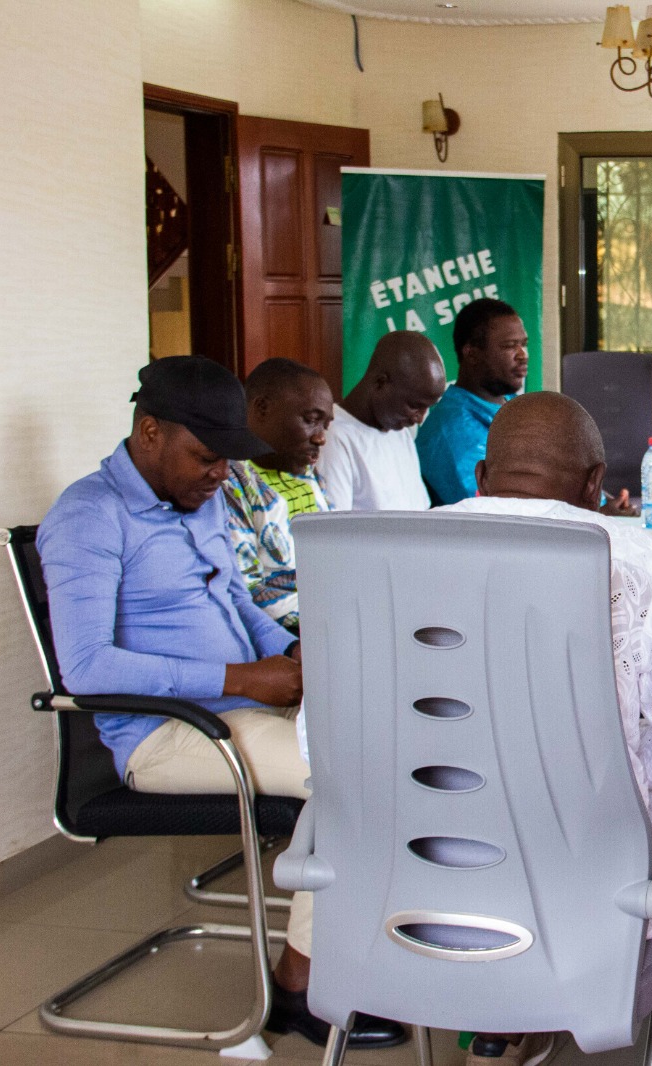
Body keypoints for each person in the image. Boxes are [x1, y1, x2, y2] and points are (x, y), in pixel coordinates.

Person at [37, 356, 404, 1049]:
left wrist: (292, 656)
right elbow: (84, 669)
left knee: (389, 741)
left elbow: (235, 600)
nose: (220, 476)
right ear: (149, 433)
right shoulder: (88, 518)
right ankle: (302, 985)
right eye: (206, 458)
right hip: (167, 735)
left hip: (238, 709)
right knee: (356, 774)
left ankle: (334, 959)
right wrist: (241, 678)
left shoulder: (196, 498)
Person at [440, 392, 652, 1064]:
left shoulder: (394, 547)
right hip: (586, 879)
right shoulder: (633, 557)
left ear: (482, 479)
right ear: (594, 485)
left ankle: (504, 1022)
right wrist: (619, 756)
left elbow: (324, 747)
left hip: (421, 872)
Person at [221, 358, 334, 633]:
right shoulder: (231, 481)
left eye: (325, 426)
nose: (321, 438)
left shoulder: (307, 472)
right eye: (310, 421)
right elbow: (246, 591)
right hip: (282, 637)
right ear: (262, 408)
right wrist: (334, 616)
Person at [317, 331, 446, 511]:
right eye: (415, 406)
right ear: (380, 382)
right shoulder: (333, 437)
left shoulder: (400, 432)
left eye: (427, 408)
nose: (420, 418)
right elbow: (334, 532)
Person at [417, 298, 528, 507]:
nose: (522, 355)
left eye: (523, 344)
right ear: (472, 353)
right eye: (509, 346)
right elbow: (489, 515)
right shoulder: (450, 431)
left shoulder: (514, 406)